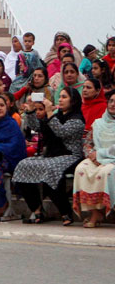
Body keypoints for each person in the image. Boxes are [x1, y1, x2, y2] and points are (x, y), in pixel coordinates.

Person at [14, 87, 85, 225]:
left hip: (70, 156)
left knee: (51, 169)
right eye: (60, 96)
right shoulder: (57, 115)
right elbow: (39, 127)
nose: (60, 99)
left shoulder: (77, 119)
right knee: (23, 165)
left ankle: (65, 211)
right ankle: (37, 209)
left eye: (64, 97)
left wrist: (49, 112)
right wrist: (30, 110)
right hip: (51, 155)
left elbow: (61, 132)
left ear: (73, 100)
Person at [73, 91, 115, 227]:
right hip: (96, 158)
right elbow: (87, 143)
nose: (113, 104)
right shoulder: (98, 123)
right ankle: (95, 213)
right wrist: (91, 154)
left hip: (112, 159)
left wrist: (100, 155)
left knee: (106, 172)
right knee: (81, 169)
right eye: (111, 101)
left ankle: (106, 211)